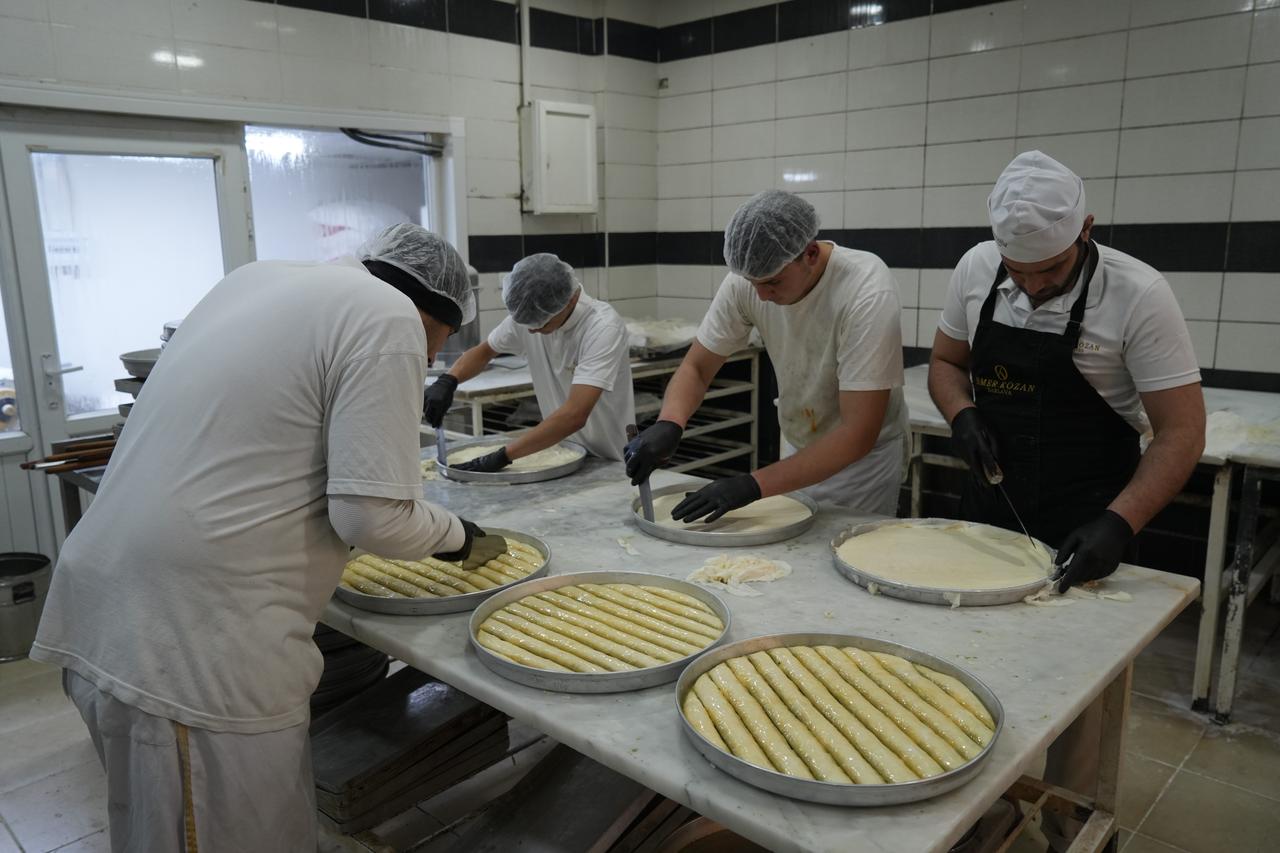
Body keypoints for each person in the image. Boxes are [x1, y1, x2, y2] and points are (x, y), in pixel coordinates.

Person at [31, 224, 485, 852]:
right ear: (431, 309)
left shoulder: (257, 279)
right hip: (193, 650)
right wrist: (458, 535)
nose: (434, 358)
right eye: (441, 340)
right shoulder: (389, 318)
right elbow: (371, 517)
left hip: (108, 608)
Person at [927, 150, 1206, 592]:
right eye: (1018, 273)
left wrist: (1119, 524)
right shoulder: (975, 268)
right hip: (988, 518)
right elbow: (945, 362)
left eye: (1052, 268)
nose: (1035, 286)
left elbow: (1183, 430)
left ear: (1086, 229)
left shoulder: (1139, 294)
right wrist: (961, 413)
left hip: (1090, 529)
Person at [625, 190, 906, 521]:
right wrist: (670, 422)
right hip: (799, 448)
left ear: (811, 254)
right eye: (752, 282)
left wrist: (750, 485)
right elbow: (698, 368)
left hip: (861, 470)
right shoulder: (751, 280)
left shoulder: (865, 290)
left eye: (772, 282)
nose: (760, 295)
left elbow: (857, 434)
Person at [423, 253, 635, 469]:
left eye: (542, 323)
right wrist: (448, 380)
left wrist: (503, 456)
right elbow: (485, 351)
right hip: (560, 453)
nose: (533, 329)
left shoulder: (601, 328)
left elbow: (575, 414)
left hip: (609, 461)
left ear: (570, 300)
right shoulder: (530, 316)